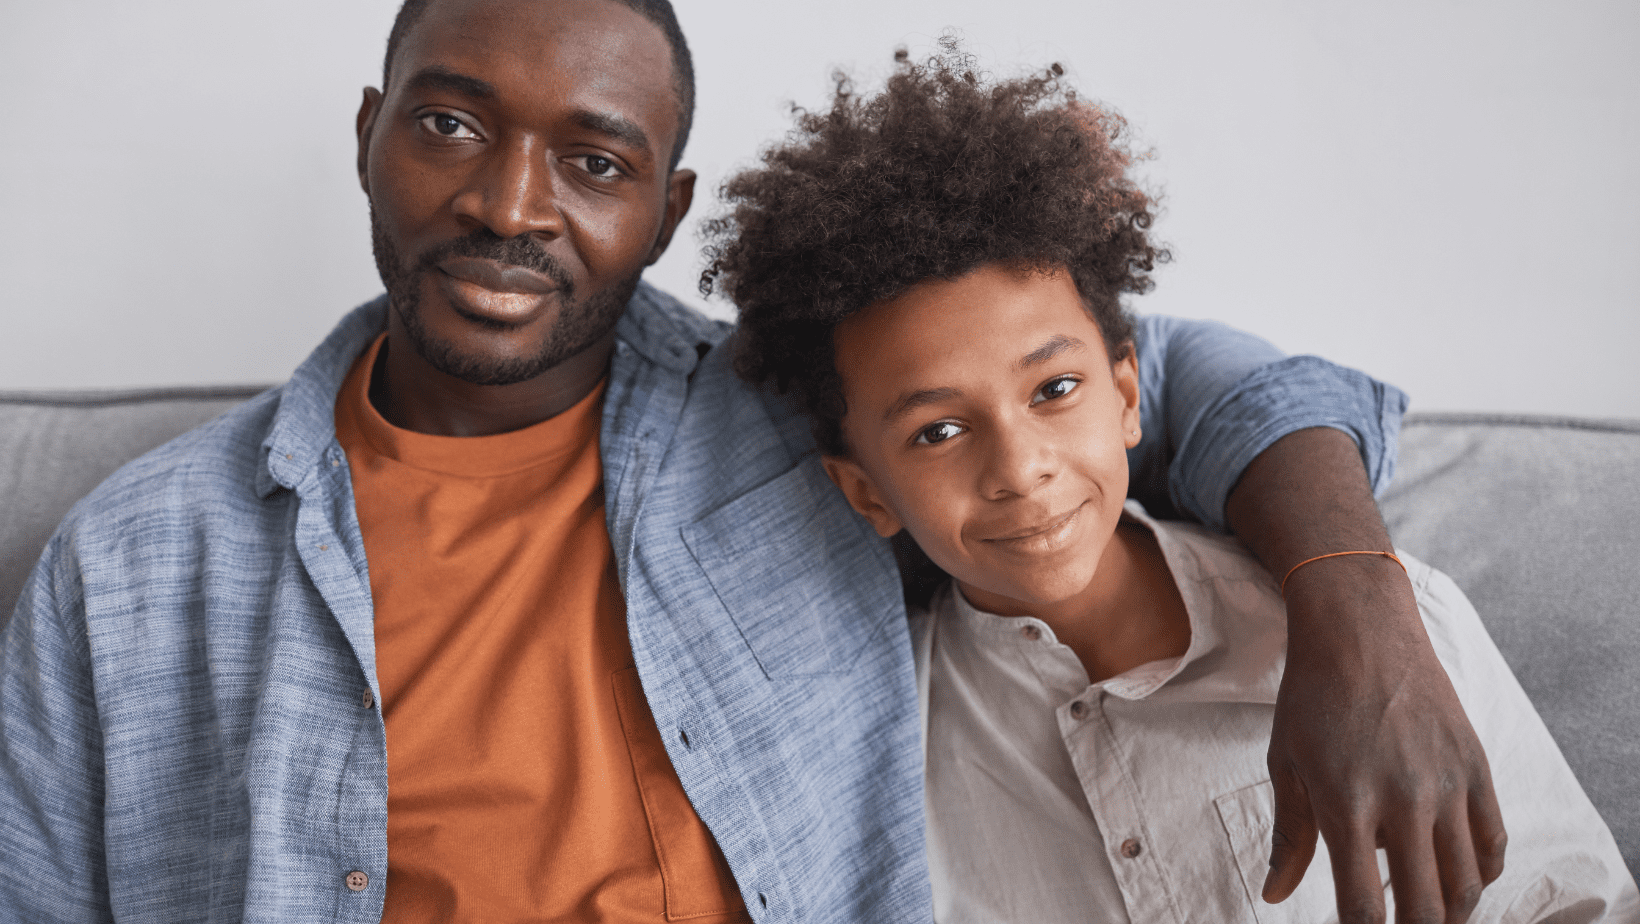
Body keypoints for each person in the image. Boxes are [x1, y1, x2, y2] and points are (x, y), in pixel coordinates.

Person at [0, 1, 1495, 921]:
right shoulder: (134, 564)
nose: (508, 206)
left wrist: (1360, 615)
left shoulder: (814, 417)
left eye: (594, 162)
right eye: (448, 124)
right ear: (367, 135)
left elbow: (1181, 377)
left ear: (666, 209)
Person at [704, 47, 1639, 923]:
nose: (1020, 468)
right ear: (866, 491)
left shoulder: (1401, 630)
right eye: (938, 431)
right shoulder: (876, 747)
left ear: (1126, 395)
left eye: (1054, 390)